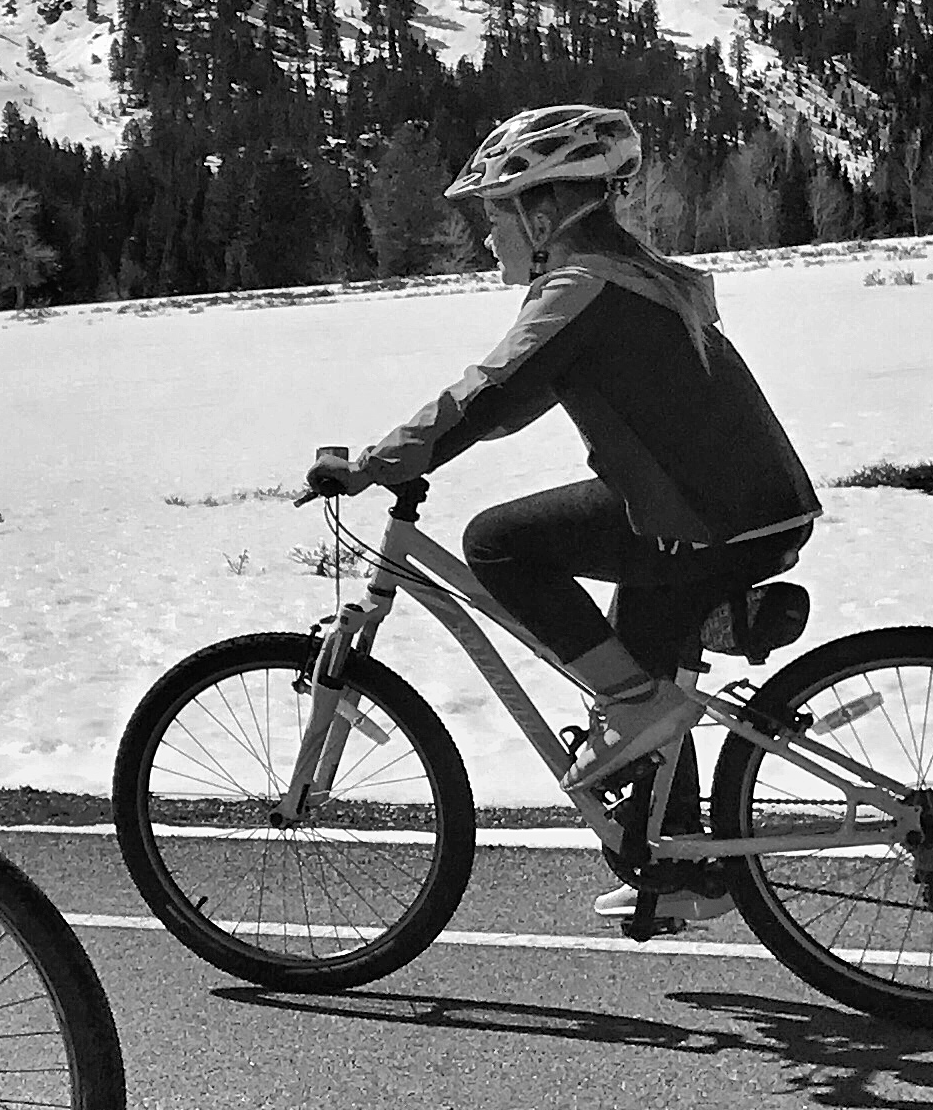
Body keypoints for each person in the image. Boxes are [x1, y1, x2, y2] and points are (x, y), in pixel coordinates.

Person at [307, 104, 819, 926]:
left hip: (699, 519)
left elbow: (490, 395)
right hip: (742, 511)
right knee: (638, 670)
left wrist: (374, 464)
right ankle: (673, 864)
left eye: (496, 215)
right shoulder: (638, 274)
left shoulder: (582, 286)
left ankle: (640, 724)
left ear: (543, 212)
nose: (488, 239)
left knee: (499, 541)